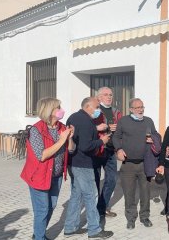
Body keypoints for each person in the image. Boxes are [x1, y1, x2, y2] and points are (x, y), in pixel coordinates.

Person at [20, 98, 75, 240]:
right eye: (58, 107)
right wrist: (62, 140)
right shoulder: (36, 130)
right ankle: (39, 237)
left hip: (56, 175)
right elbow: (42, 155)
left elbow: (71, 150)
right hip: (39, 175)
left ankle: (38, 233)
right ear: (49, 111)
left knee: (52, 206)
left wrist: (70, 139)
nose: (61, 110)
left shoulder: (61, 127)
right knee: (42, 209)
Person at [64, 97, 113, 239]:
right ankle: (94, 230)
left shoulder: (73, 117)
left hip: (73, 163)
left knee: (76, 195)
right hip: (83, 164)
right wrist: (101, 141)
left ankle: (70, 227)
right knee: (91, 196)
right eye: (97, 107)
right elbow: (86, 146)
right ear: (88, 106)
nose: (99, 110)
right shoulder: (86, 121)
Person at [113, 98, 157, 230]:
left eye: (142, 107)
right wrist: (119, 149)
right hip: (128, 164)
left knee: (145, 192)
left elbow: (155, 136)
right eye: (137, 107)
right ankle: (131, 218)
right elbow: (116, 137)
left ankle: (144, 216)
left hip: (145, 164)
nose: (140, 110)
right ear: (131, 109)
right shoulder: (124, 121)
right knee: (129, 193)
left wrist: (153, 139)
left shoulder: (148, 121)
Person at [93, 87, 122, 218]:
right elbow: (87, 127)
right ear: (99, 97)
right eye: (106, 95)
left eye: (111, 94)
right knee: (95, 181)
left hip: (110, 150)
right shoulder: (93, 110)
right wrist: (104, 128)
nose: (109, 97)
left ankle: (102, 207)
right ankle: (94, 210)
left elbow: (122, 129)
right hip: (96, 150)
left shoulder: (116, 111)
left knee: (112, 179)